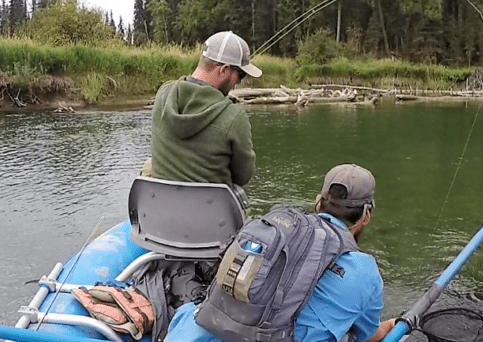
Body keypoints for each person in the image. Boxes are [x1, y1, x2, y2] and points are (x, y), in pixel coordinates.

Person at [164, 164, 399, 342]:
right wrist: (392, 326)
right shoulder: (366, 271)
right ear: (365, 216)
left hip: (206, 325)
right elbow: (369, 336)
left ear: (319, 203)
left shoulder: (278, 225)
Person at [149, 30, 261, 187]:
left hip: (161, 208)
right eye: (240, 75)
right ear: (224, 70)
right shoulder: (234, 116)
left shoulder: (163, 94)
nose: (238, 83)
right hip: (212, 210)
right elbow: (242, 177)